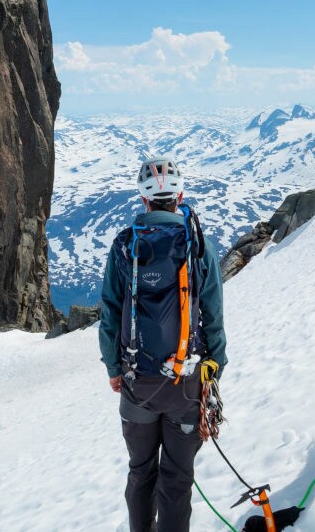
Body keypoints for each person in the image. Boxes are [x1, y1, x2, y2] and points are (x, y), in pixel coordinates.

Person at [99, 156, 226, 532]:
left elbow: (109, 312)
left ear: (143, 200)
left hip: (138, 382)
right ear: (180, 196)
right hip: (186, 382)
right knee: (177, 477)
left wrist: (113, 367)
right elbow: (214, 311)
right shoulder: (198, 244)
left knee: (141, 472)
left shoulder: (125, 245)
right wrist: (215, 365)